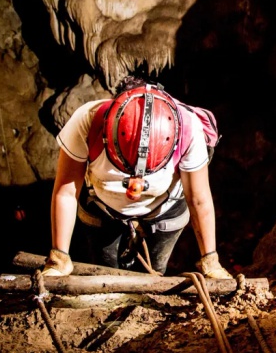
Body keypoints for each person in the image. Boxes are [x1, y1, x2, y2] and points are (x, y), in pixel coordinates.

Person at [41, 76, 232, 279]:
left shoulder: (188, 128)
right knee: (106, 274)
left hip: (165, 207)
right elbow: (67, 191)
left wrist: (210, 260)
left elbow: (198, 198)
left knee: (153, 275)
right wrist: (59, 256)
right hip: (102, 205)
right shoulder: (88, 120)